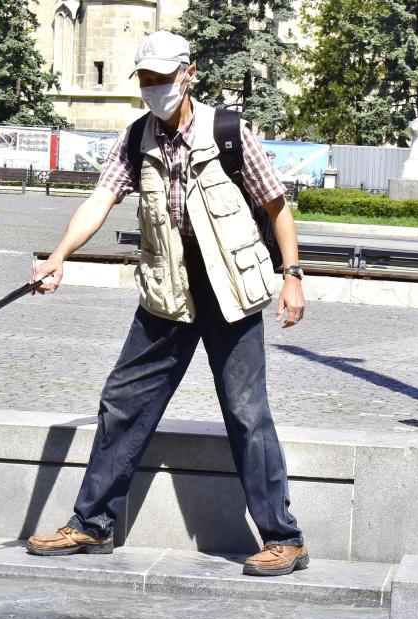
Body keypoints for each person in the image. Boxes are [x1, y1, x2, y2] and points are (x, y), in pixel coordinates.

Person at [25, 30, 309, 577]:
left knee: (247, 414)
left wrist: (292, 275)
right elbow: (100, 200)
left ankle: (284, 537)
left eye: (163, 78)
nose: (155, 89)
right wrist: (59, 254)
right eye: (146, 80)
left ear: (189, 73)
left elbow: (277, 206)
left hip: (230, 290)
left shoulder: (228, 132)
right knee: (122, 401)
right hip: (167, 290)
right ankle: (92, 525)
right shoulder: (136, 139)